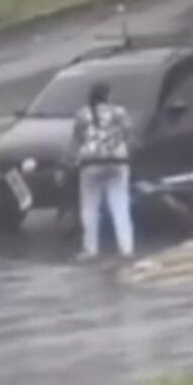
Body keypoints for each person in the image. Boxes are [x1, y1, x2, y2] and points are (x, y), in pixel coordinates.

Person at [71, 82, 135, 260]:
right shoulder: (120, 112)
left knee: (90, 208)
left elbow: (76, 142)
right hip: (117, 162)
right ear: (108, 96)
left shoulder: (82, 115)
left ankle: (90, 250)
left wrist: (70, 161)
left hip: (90, 164)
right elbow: (130, 136)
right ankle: (126, 249)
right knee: (120, 206)